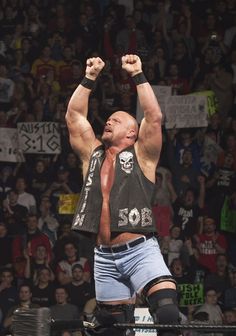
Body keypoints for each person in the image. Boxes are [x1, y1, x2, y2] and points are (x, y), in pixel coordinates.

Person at [65, 54, 180, 336]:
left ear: (132, 132)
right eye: (108, 119)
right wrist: (89, 77)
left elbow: (154, 117)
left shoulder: (143, 156)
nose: (108, 121)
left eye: (115, 120)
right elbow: (74, 116)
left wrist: (138, 75)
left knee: (166, 311)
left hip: (139, 251)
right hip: (104, 256)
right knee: (110, 330)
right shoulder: (91, 155)